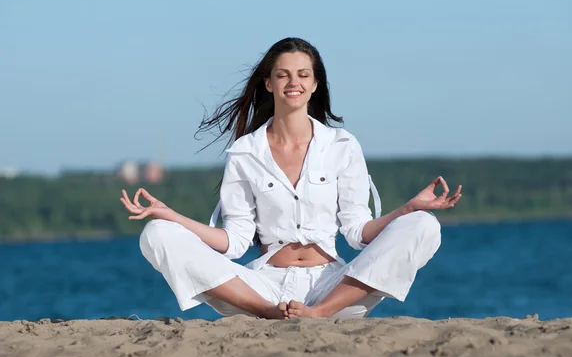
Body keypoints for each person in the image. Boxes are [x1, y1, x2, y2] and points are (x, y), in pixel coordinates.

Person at [120, 37, 462, 320]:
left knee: (424, 224)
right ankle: (268, 314)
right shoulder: (245, 152)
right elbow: (236, 242)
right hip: (263, 288)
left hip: (334, 288)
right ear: (269, 84)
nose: (293, 82)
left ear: (315, 84)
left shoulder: (342, 145)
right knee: (157, 233)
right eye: (283, 75)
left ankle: (318, 314)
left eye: (302, 74)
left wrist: (408, 209)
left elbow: (358, 233)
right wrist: (171, 215)